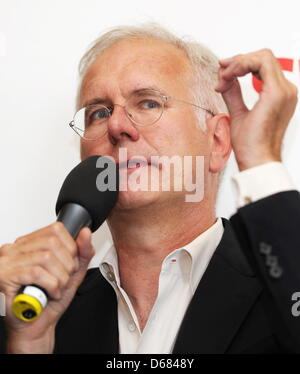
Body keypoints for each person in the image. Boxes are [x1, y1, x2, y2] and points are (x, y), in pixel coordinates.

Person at [0, 24, 299, 354]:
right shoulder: (37, 314)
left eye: (148, 103)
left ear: (217, 140)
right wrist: (28, 345)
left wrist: (259, 159)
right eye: (99, 112)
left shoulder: (282, 287)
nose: (116, 126)